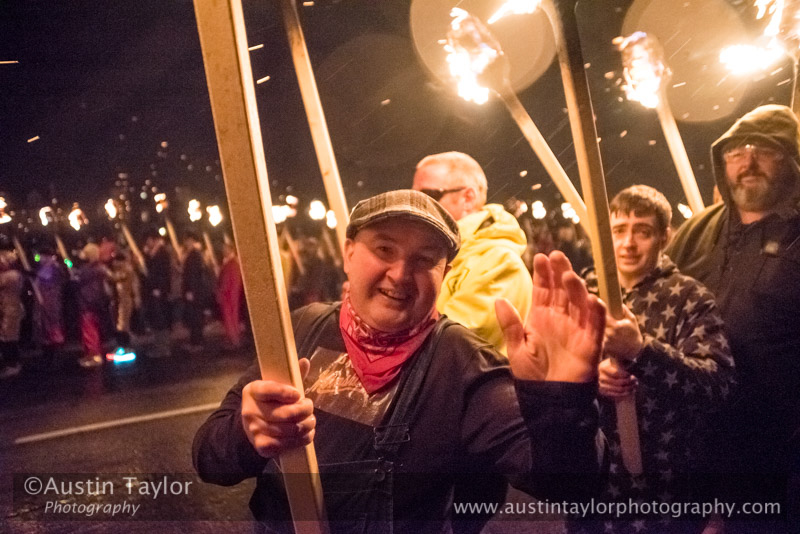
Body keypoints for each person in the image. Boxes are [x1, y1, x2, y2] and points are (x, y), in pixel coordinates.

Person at [193, 190, 607, 533]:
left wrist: (561, 402)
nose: (400, 273)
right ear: (349, 252)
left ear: (445, 272)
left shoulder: (461, 363)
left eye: (425, 259)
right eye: (384, 248)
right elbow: (209, 460)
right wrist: (247, 435)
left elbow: (569, 485)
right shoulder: (302, 329)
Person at [666, 104, 800, 532]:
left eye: (765, 150)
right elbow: (657, 298)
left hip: (772, 438)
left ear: (792, 158)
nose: (748, 162)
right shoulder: (699, 229)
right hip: (692, 428)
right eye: (736, 151)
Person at [571, 185, 734, 534]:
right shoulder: (584, 293)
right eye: (619, 231)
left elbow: (716, 384)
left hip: (667, 490)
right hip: (595, 487)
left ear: (664, 236)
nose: (628, 243)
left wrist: (642, 353)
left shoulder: (690, 297)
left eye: (642, 231)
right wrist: (591, 376)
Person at [412, 151, 532, 355]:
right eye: (413, 198)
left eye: (428, 196)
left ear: (468, 198)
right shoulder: (443, 253)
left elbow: (443, 347)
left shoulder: (498, 262)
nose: (417, 206)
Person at [76, 243, 112, 368]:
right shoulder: (100, 268)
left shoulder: (90, 269)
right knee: (92, 329)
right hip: (96, 301)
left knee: (90, 330)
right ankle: (91, 354)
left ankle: (94, 355)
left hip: (89, 301)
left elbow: (78, 278)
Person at [143, 230, 173, 357]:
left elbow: (163, 273)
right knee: (157, 319)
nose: (147, 243)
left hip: (159, 291)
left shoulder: (162, 252)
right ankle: (160, 346)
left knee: (160, 319)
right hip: (155, 290)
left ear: (153, 239)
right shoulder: (154, 253)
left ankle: (163, 348)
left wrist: (159, 288)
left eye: (148, 240)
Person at [180, 231, 211, 352]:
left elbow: (193, 274)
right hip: (195, 290)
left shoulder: (194, 255)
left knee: (195, 316)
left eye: (187, 240)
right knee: (194, 316)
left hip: (195, 291)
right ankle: (195, 341)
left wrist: (190, 290)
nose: (185, 242)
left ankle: (197, 342)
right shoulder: (193, 254)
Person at [0, 250, 25, 378]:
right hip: (7, 309)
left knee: (9, 338)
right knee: (6, 337)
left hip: (11, 309)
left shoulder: (11, 276)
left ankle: (13, 363)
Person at [217, 241, 244, 349]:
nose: (223, 250)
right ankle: (233, 339)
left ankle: (234, 340)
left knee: (230, 317)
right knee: (231, 317)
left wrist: (222, 292)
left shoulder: (232, 264)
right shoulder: (232, 263)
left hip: (229, 295)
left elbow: (228, 281)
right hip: (231, 295)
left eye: (225, 248)